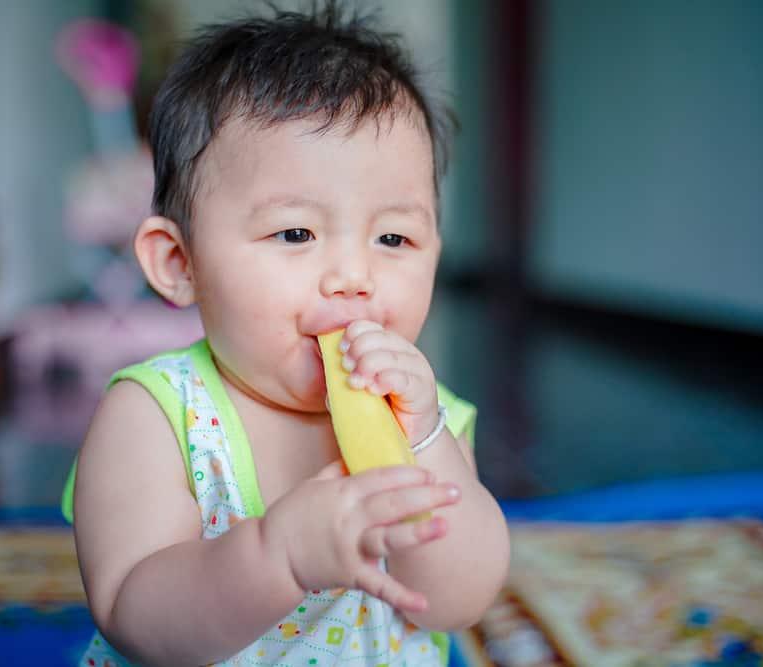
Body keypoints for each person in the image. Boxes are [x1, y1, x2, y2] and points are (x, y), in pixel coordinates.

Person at [63, 3, 510, 665]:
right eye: (296, 233)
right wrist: (280, 554)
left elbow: (456, 599)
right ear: (179, 263)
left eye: (394, 237)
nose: (354, 276)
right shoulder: (158, 414)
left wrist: (424, 442)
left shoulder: (428, 420)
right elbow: (136, 613)